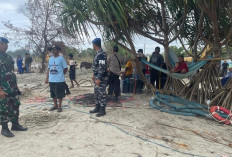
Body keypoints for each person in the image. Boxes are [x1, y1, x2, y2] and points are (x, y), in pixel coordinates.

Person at [0, 37, 27, 137]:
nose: (5, 46)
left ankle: (15, 125)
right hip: (3, 89)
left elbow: (12, 73)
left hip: (12, 87)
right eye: (2, 44)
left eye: (6, 44)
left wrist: (16, 87)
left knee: (15, 105)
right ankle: (4, 128)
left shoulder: (8, 57)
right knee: (4, 108)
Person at [45, 45, 68, 112]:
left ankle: (59, 106)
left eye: (55, 49)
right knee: (53, 94)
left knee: (60, 94)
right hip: (52, 79)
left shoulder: (61, 59)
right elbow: (49, 68)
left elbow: (65, 68)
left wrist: (61, 74)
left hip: (59, 80)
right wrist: (47, 78)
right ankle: (55, 105)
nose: (53, 51)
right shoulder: (50, 59)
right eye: (52, 49)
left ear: (58, 51)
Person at [89, 38, 108, 117]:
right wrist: (94, 76)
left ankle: (102, 110)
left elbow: (102, 67)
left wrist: (99, 78)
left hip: (101, 78)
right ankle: (97, 107)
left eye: (93, 44)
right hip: (97, 77)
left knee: (101, 93)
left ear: (95, 45)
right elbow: (96, 67)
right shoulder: (97, 53)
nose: (92, 46)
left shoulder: (102, 54)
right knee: (96, 93)